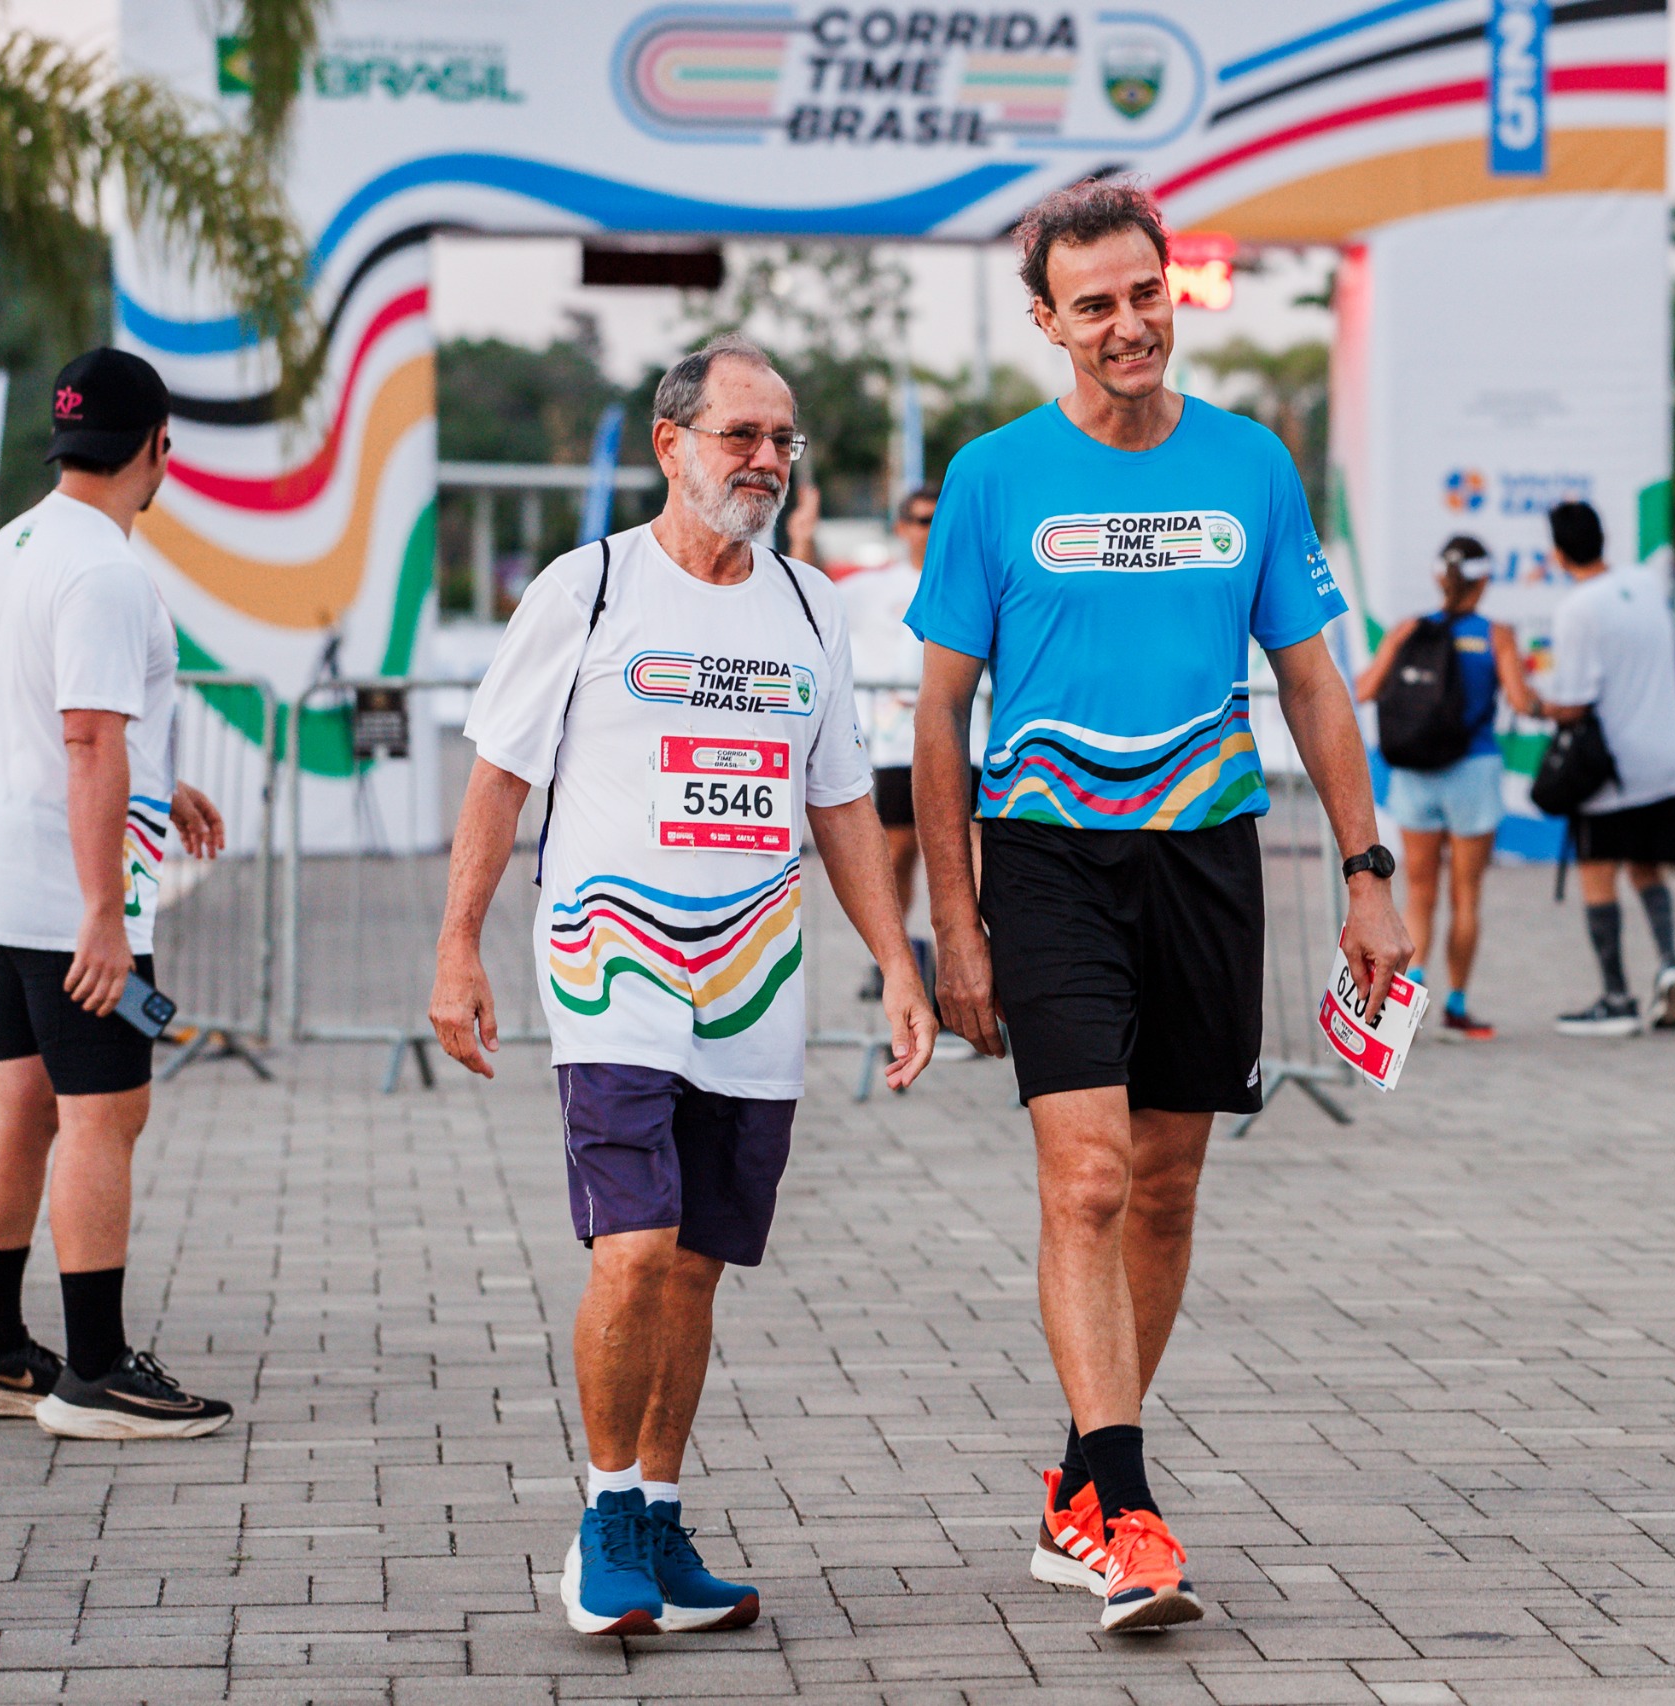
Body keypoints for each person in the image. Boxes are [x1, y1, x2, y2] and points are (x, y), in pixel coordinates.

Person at [909, 179, 1410, 1633]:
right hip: (1050, 855)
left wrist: (1369, 879)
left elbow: (1313, 682)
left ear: (1170, 290)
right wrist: (956, 921)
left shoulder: (1251, 462)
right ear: (1047, 321)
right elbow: (940, 717)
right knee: (1088, 1179)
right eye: (1095, 305)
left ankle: (1078, 1473)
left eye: (1147, 293)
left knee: (1172, 1184)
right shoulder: (996, 478)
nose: (1129, 324)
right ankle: (1126, 1511)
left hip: (1209, 852)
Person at [429, 336, 937, 1639]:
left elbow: (838, 805)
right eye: (740, 435)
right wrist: (458, 944)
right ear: (672, 444)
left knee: (699, 1265)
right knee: (636, 1244)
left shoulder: (812, 606)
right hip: (613, 969)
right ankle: (602, 1518)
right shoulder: (589, 589)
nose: (765, 459)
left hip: (755, 983)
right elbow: (499, 773)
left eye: (783, 439)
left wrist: (897, 962)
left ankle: (658, 1512)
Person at [0, 347, 231, 1437]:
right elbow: (89, 731)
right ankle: (95, 1369)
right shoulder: (107, 568)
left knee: (18, 1097)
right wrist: (104, 910)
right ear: (159, 448)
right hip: (71, 892)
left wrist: (167, 780)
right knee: (106, 1111)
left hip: (4, 870)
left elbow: (61, 711)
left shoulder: (16, 540)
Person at [1353, 536, 1536, 1039]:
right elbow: (1520, 702)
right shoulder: (1496, 634)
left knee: (1419, 893)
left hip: (1415, 773)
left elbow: (1364, 689)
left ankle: (1410, 991)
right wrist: (1542, 700)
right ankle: (1457, 1005)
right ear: (1484, 580)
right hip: (1473, 772)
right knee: (1467, 895)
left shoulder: (1409, 629)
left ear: (1440, 577)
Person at [1537, 499, 1675, 1039]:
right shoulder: (1646, 584)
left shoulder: (1577, 609)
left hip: (1613, 771)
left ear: (1559, 552)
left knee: (1598, 870)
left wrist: (1533, 699)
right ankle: (1671, 963)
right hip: (1667, 759)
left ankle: (1616, 996)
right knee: (1648, 867)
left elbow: (1575, 702)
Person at [838, 485, 937, 999]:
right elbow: (814, 586)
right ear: (901, 527)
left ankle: (976, 962)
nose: (929, 529)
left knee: (969, 856)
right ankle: (892, 960)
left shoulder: (972, 577)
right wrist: (804, 536)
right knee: (897, 853)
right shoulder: (875, 587)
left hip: (972, 742)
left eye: (938, 520)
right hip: (900, 745)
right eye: (920, 520)